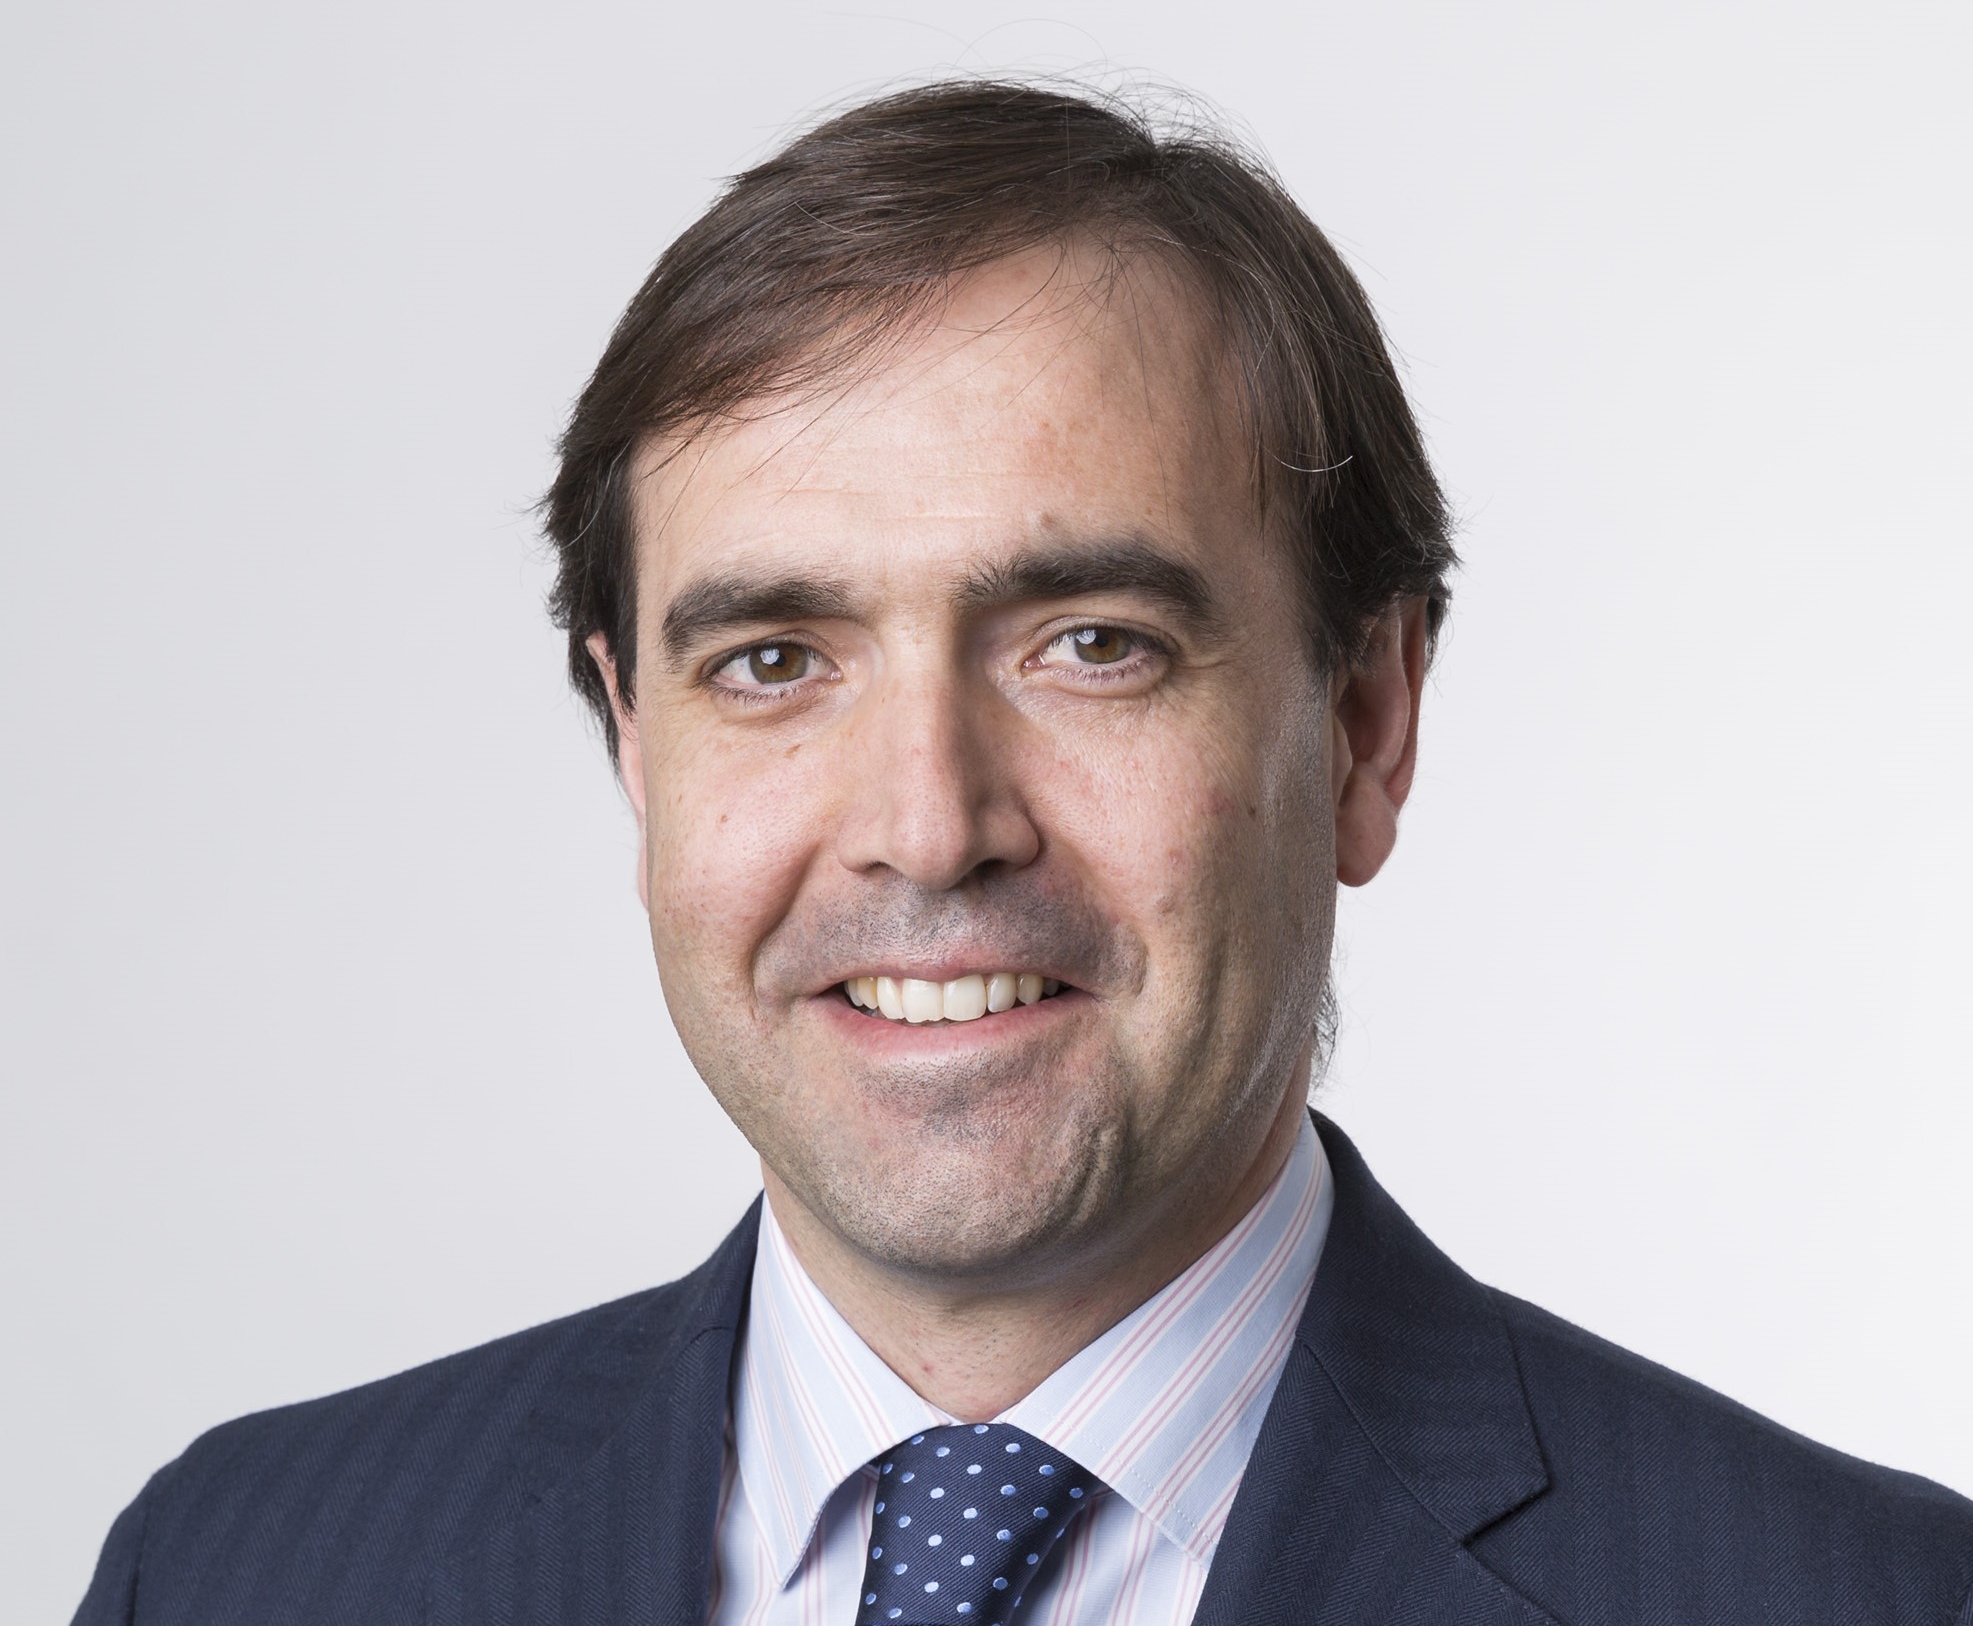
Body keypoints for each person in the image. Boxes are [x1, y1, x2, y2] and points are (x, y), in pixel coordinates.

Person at [73, 81, 1973, 1626]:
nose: (927, 825)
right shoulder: (236, 1573)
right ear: (633, 739)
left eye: (1091, 645)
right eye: (774, 660)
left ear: (1364, 718)